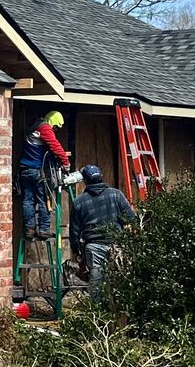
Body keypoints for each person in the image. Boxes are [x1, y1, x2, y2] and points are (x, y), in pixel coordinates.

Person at [68, 164, 137, 296]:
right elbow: (131, 219)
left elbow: (74, 231)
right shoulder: (116, 195)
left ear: (85, 181)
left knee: (97, 284)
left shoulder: (79, 202)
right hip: (117, 245)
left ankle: (98, 311)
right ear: (101, 177)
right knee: (120, 280)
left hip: (93, 247)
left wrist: (76, 250)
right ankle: (118, 311)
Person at [18, 109, 72, 241]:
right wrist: (66, 163)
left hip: (24, 169)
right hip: (37, 170)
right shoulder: (45, 128)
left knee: (28, 201)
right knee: (44, 199)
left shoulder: (35, 126)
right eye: (56, 127)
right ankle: (44, 230)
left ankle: (29, 229)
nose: (54, 130)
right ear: (53, 122)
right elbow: (55, 146)